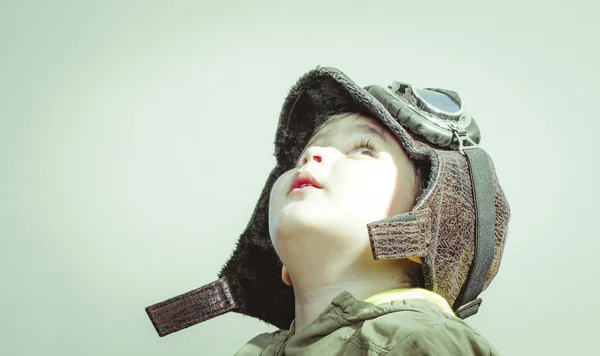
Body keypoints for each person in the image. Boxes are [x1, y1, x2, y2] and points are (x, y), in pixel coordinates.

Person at [145, 67, 510, 355]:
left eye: (364, 148)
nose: (310, 155)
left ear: (429, 231)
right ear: (283, 267)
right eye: (310, 148)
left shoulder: (423, 341)